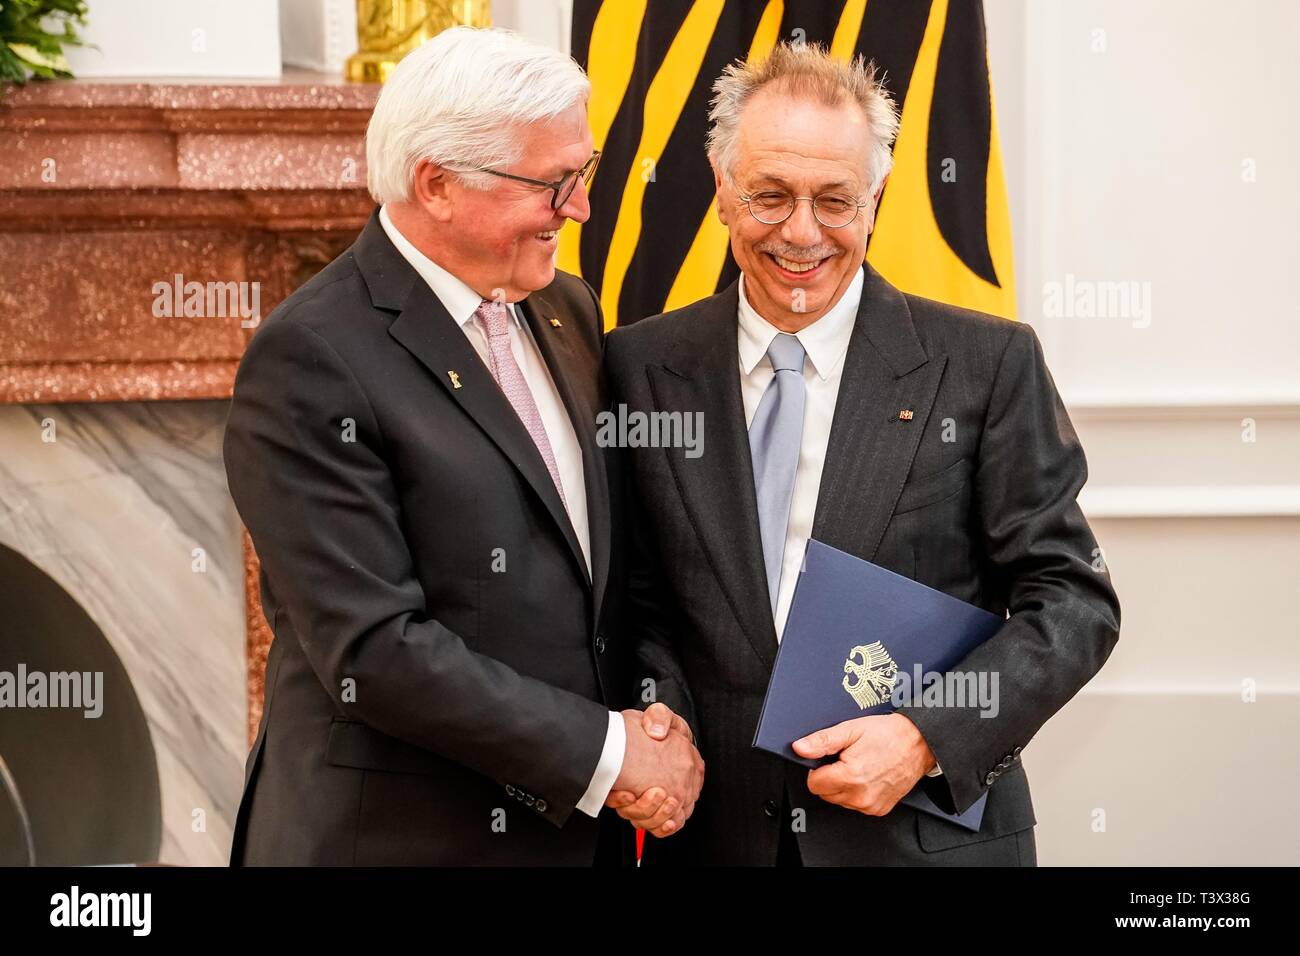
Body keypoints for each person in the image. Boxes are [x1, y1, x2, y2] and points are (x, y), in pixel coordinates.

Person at [603, 42, 1120, 866]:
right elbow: (635, 602)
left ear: (876, 199)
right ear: (722, 190)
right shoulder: (635, 367)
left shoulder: (987, 365)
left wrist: (926, 735)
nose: (801, 232)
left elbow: (1073, 603)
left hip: (923, 842)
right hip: (712, 840)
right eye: (770, 195)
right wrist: (655, 712)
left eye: (834, 200)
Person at [223, 26, 702, 866]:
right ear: (436, 184)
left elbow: (615, 570)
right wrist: (610, 752)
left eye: (582, 173)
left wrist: (656, 715)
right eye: (554, 183)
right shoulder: (311, 358)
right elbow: (373, 650)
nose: (582, 208)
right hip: (396, 842)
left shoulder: (568, 311)